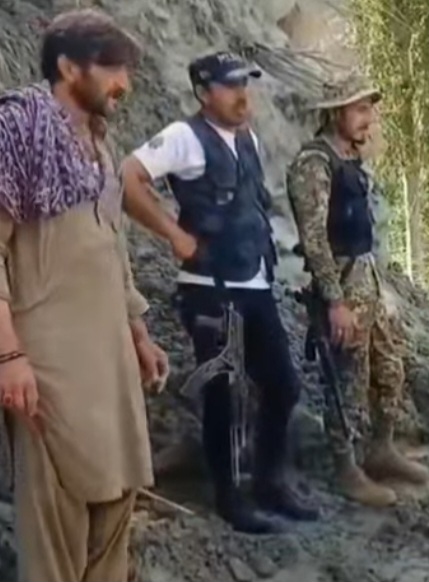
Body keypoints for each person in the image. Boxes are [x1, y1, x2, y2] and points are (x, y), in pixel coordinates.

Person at [0, 9, 170, 581]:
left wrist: (138, 332)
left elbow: (112, 247)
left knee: (118, 493)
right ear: (69, 67)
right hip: (49, 359)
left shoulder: (98, 143)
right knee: (58, 511)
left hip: (108, 357)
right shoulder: (18, 130)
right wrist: (9, 355)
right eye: (111, 67)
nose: (124, 82)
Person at [119, 51, 317, 533]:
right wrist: (174, 234)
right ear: (204, 93)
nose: (242, 94)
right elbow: (127, 178)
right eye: (230, 86)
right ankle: (229, 498)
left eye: (244, 84)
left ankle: (269, 482)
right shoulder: (185, 137)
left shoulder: (247, 137)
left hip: (254, 282)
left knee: (282, 385)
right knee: (224, 392)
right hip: (210, 289)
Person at [284, 72, 429, 508]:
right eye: (360, 109)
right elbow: (314, 239)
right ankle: (346, 466)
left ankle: (381, 448)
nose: (369, 119)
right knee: (347, 380)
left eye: (370, 109)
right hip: (343, 287)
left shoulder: (350, 158)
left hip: (367, 281)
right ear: (336, 113)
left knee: (389, 366)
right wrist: (334, 301)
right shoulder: (314, 163)